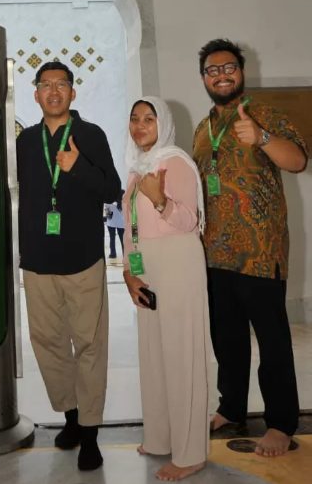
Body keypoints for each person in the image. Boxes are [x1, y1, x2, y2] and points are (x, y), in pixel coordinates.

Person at [193, 38, 308, 457]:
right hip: (215, 253)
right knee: (227, 339)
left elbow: (296, 160)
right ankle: (232, 407)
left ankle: (280, 422)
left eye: (228, 68)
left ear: (241, 72)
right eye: (212, 70)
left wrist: (260, 138)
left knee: (273, 340)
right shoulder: (202, 129)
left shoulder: (266, 114)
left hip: (261, 252)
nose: (221, 75)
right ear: (204, 78)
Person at [16, 61, 120, 471]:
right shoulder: (25, 141)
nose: (54, 91)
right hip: (38, 261)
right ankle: (71, 418)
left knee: (90, 345)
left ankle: (91, 433)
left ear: (73, 93)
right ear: (36, 93)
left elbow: (112, 188)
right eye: (46, 85)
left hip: (83, 259)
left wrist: (78, 167)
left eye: (62, 84)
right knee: (49, 344)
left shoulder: (91, 135)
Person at [123, 97, 209, 482]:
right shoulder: (136, 170)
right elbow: (130, 231)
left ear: (164, 124)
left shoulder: (175, 162)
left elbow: (191, 220)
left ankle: (191, 452)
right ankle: (159, 438)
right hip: (148, 267)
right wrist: (130, 273)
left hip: (178, 262)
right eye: (135, 119)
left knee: (181, 355)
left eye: (149, 119)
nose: (140, 126)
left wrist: (160, 200)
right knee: (153, 354)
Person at [104, 190, 124, 260]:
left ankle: (113, 254)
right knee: (122, 239)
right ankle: (125, 253)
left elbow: (109, 216)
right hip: (121, 223)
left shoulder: (108, 202)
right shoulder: (123, 202)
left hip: (111, 223)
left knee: (112, 238)